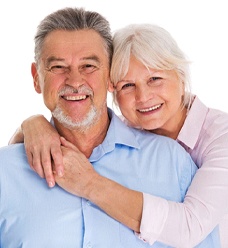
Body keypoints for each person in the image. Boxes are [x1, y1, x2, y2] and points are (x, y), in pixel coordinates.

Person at [1, 7, 218, 247]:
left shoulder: (174, 162)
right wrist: (30, 124)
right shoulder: (6, 171)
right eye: (58, 67)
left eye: (89, 66)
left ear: (108, 78)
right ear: (36, 78)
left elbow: (192, 229)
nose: (74, 81)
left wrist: (90, 183)